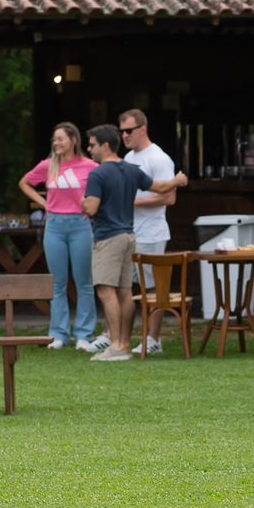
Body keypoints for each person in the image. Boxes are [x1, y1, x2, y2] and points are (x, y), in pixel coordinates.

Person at [80, 124, 187, 362]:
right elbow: (159, 187)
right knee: (125, 292)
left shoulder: (97, 174)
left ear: (105, 145)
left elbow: (92, 207)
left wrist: (82, 202)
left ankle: (117, 345)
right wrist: (178, 181)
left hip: (107, 238)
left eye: (92, 145)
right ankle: (125, 344)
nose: (89, 150)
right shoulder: (130, 169)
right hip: (129, 237)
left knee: (106, 291)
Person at [19, 122, 98, 350]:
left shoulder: (90, 166)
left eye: (61, 139)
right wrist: (44, 203)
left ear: (73, 140)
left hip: (80, 225)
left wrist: (92, 208)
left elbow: (102, 190)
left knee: (84, 283)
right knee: (57, 284)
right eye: (54, 139)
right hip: (54, 226)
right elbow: (24, 183)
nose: (56, 143)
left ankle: (84, 335)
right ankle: (58, 334)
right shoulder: (48, 165)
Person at [119, 109, 177, 355]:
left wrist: (133, 201)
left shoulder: (159, 158)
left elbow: (170, 196)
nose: (124, 136)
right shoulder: (127, 158)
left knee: (153, 288)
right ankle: (123, 337)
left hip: (152, 233)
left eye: (129, 131)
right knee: (128, 286)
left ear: (143, 128)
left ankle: (153, 339)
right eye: (121, 131)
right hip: (129, 232)